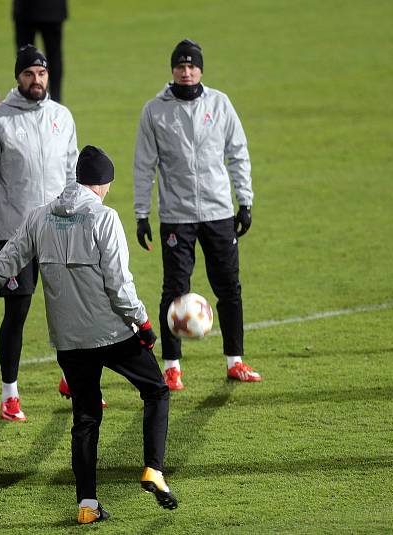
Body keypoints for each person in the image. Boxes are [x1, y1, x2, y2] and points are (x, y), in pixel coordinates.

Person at [0, 146, 178, 524]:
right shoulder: (105, 218)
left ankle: (87, 505)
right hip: (112, 332)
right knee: (155, 390)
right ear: (103, 183)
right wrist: (143, 324)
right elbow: (119, 284)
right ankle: (154, 469)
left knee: (85, 417)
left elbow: (5, 264)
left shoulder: (39, 217)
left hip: (69, 342)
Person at [133, 39, 262, 390]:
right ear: (172, 70)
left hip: (219, 212)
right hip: (177, 215)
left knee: (229, 287)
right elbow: (144, 166)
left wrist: (245, 202)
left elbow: (239, 154)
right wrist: (142, 213)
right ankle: (172, 367)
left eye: (191, 66)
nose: (186, 72)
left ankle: (235, 361)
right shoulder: (154, 111)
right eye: (180, 66)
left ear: (201, 69)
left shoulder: (220, 105)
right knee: (174, 291)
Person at [0, 44, 84, 421]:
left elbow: (72, 173)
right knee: (17, 311)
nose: (36, 80)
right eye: (28, 74)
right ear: (17, 77)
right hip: (14, 234)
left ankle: (72, 379)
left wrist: (77, 214)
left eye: (41, 73)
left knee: (68, 309)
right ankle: (10, 395)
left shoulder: (62, 117)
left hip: (58, 229)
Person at [12, 0, 67, 103]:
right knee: (53, 55)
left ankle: (28, 99)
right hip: (52, 8)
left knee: (26, 58)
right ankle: (55, 101)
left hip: (26, 8)